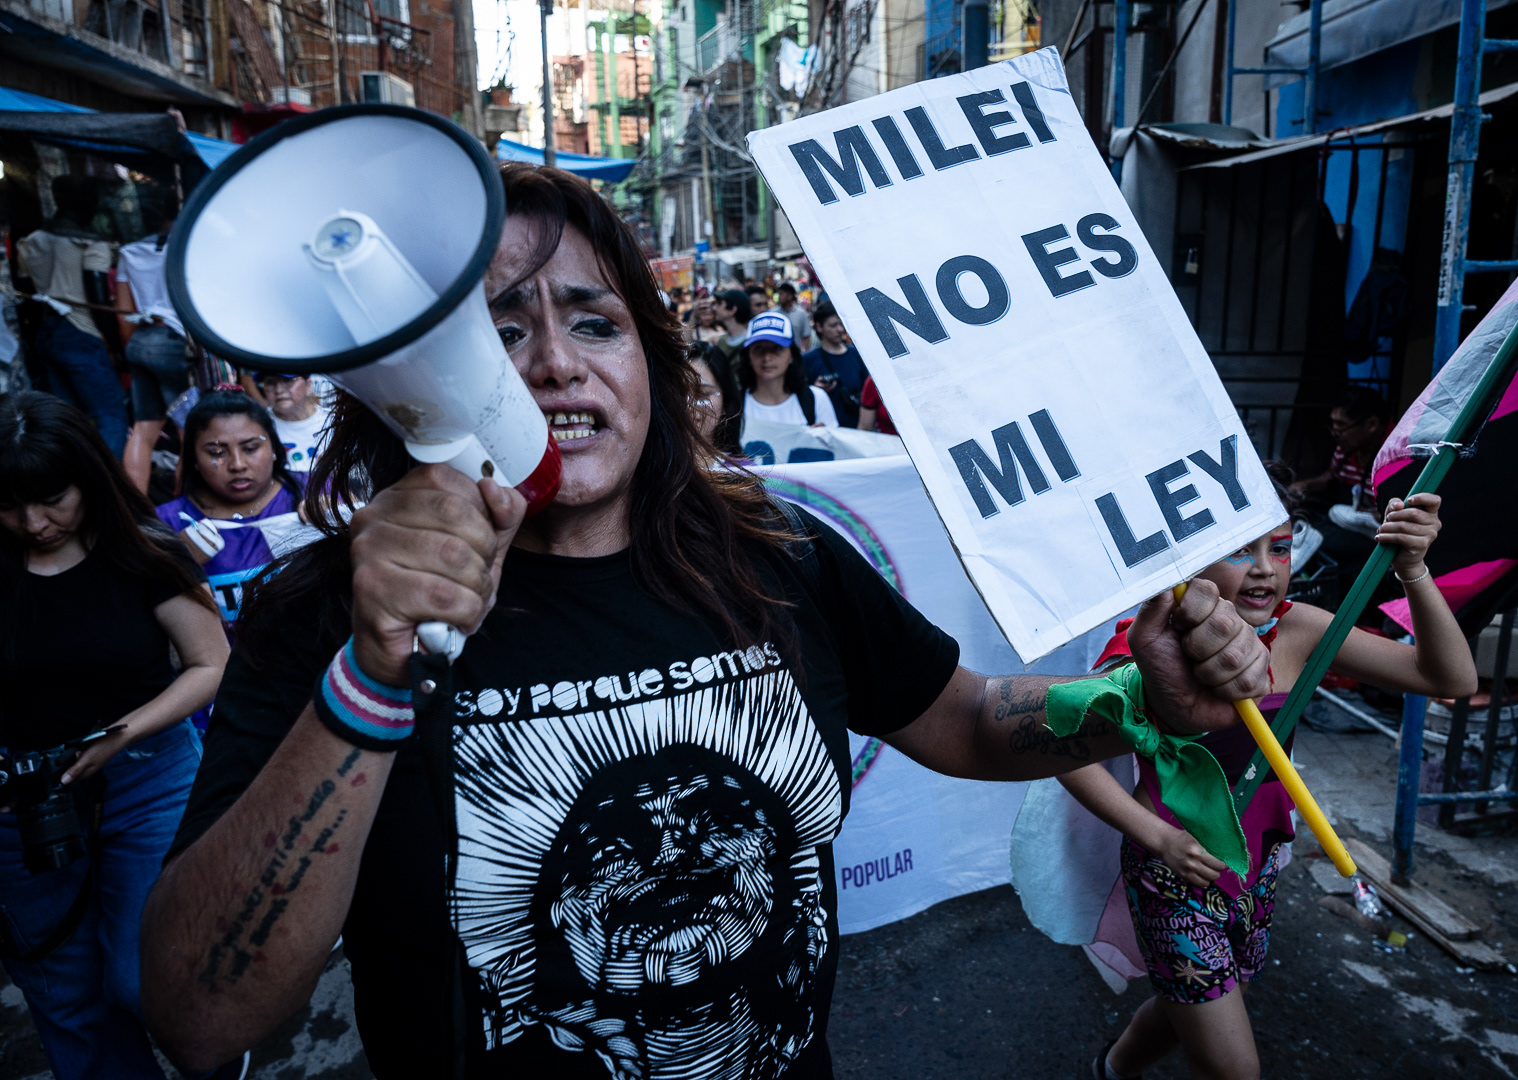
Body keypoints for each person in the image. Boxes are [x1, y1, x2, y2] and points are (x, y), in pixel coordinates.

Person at [139, 162, 1266, 1079]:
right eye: (498, 335)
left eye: (596, 321)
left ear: (651, 361)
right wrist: (370, 679)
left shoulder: (781, 559)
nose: (553, 366)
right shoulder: (324, 617)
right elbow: (198, 1020)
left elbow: (964, 718)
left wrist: (1136, 701)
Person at [1058, 470, 1474, 1080]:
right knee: (1234, 1068)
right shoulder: (1147, 647)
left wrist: (1413, 569)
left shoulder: (1297, 629)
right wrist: (1160, 838)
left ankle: (1113, 1069)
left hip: (1259, 864)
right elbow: (1064, 747)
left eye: (1278, 548)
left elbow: (1451, 680)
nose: (1264, 569)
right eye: (1237, 551)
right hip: (1178, 873)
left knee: (1213, 996)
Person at [0, 391, 230, 1080]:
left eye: (52, 499)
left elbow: (211, 662)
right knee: (67, 996)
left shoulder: (144, 550)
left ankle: (220, 1049)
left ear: (88, 477)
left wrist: (118, 736)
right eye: (10, 505)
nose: (33, 523)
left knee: (144, 977)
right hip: (24, 799)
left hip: (147, 777)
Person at [155, 389, 304, 631]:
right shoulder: (168, 523)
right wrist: (176, 566)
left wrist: (342, 522)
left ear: (275, 448)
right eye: (217, 453)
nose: (237, 465)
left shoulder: (319, 491)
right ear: (193, 458)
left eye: (251, 448)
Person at [17, 177, 128, 458]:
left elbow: (27, 297)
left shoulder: (31, 241)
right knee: (111, 415)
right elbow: (98, 299)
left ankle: (74, 481)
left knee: (67, 420)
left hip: (47, 333)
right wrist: (116, 348)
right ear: (83, 203)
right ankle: (105, 486)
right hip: (81, 333)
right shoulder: (89, 243)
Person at [116, 187, 190, 497]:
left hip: (141, 340)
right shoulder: (188, 248)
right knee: (191, 431)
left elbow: (123, 311)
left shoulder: (129, 252)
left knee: (145, 428)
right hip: (175, 342)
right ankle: (183, 507)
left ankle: (138, 512)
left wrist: (133, 349)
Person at [1290, 387, 1391, 569]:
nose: (1334, 433)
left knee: (1319, 538)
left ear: (1371, 425)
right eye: (1333, 425)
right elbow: (1332, 475)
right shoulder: (1347, 449)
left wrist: (1377, 516)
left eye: (1342, 426)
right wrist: (1305, 485)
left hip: (1379, 536)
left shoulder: (1394, 456)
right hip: (1350, 524)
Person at [737, 311, 839, 444]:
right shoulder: (735, 406)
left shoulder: (816, 400)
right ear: (748, 356)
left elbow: (835, 456)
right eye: (758, 349)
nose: (767, 358)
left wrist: (825, 442)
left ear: (791, 355)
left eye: (777, 348)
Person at [800, 302, 867, 429]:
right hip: (826, 431)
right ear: (819, 327)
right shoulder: (808, 360)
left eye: (841, 324)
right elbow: (801, 396)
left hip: (858, 430)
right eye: (833, 325)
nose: (840, 329)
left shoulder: (856, 354)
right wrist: (815, 390)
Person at [253, 372, 331, 475]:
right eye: (270, 383)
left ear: (308, 385)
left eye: (287, 380)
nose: (278, 390)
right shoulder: (258, 426)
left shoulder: (332, 422)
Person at [688, 341, 743, 456]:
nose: (689, 404)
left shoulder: (742, 471)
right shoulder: (648, 469)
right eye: (679, 392)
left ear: (725, 403)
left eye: (703, 394)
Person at [712, 288, 752, 360]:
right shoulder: (721, 341)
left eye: (719, 303)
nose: (714, 308)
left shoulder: (751, 341)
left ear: (732, 310)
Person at [775, 282, 812, 352]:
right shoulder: (773, 313)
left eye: (781, 294)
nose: (779, 297)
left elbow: (806, 337)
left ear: (789, 296)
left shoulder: (801, 314)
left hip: (795, 355)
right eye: (779, 294)